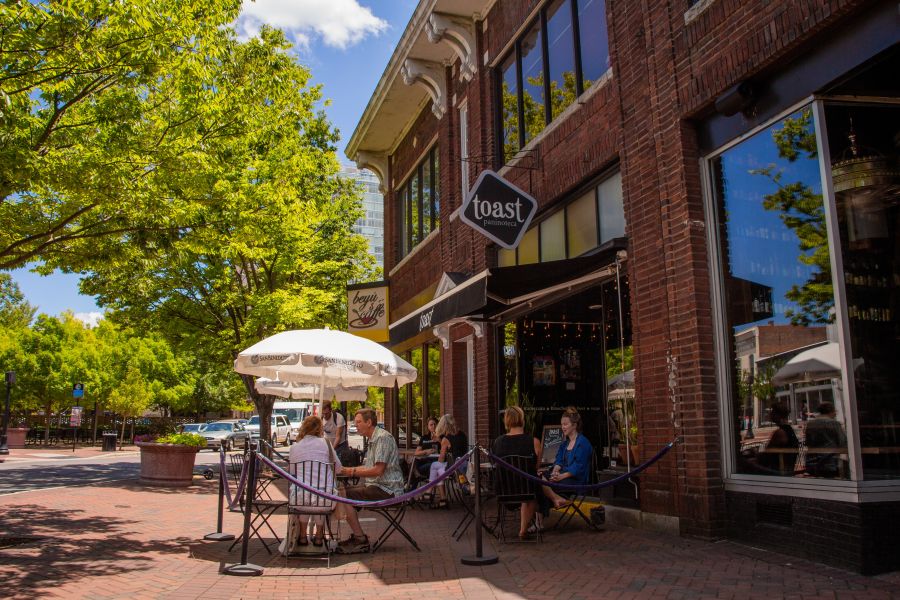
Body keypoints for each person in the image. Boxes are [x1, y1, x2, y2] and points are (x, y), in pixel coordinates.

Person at [336, 408, 404, 554]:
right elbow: (369, 467)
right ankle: (358, 537)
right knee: (341, 492)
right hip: (378, 486)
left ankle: (360, 539)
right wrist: (346, 470)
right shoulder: (374, 439)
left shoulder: (382, 438)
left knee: (343, 495)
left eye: (359, 422)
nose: (356, 425)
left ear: (369, 422)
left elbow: (378, 470)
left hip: (389, 490)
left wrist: (351, 471)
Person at [287, 416, 342, 548]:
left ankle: (302, 536)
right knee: (320, 496)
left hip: (299, 500)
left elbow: (292, 471)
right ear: (319, 429)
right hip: (326, 500)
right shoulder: (326, 444)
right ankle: (318, 536)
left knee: (305, 495)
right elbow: (338, 468)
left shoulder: (295, 447)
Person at [491, 406, 543, 540]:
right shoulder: (534, 442)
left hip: (503, 490)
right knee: (532, 489)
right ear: (522, 419)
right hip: (527, 490)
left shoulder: (498, 442)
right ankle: (523, 530)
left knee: (528, 486)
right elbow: (536, 468)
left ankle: (522, 530)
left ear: (506, 421)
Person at [543, 407, 593, 510]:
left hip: (577, 481)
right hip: (563, 476)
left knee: (545, 485)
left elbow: (578, 467)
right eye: (562, 424)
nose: (562, 427)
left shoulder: (583, 443)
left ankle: (554, 502)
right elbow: (558, 460)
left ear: (574, 425)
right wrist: (555, 472)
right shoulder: (565, 444)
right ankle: (552, 503)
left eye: (565, 424)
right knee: (540, 477)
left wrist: (560, 477)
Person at [427, 414, 468, 507]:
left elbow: (441, 459)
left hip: (454, 470)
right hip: (463, 465)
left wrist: (441, 443)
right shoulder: (463, 435)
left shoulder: (446, 439)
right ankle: (442, 499)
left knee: (435, 465)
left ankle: (429, 492)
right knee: (438, 470)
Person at [804, 402, 847, 478]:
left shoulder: (811, 423)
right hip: (830, 463)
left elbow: (808, 442)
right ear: (830, 411)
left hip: (812, 462)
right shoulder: (834, 423)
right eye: (835, 411)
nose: (835, 413)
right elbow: (842, 442)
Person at [757, 402, 800, 476]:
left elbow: (766, 456)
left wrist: (755, 454)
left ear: (778, 415)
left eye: (773, 412)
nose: (770, 415)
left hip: (776, 472)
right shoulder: (789, 430)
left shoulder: (780, 433)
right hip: (787, 470)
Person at [412, 416, 438, 481]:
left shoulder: (442, 437)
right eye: (431, 425)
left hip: (437, 461)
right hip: (425, 463)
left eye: (435, 424)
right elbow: (416, 453)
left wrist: (439, 439)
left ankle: (428, 489)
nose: (433, 426)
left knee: (435, 466)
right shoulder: (424, 437)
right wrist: (426, 451)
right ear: (428, 427)